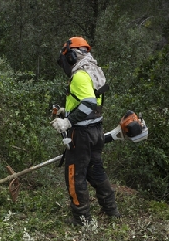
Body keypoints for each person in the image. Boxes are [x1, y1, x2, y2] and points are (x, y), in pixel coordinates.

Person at [51, 36, 120, 226]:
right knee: (96, 171)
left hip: (81, 135)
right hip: (96, 130)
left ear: (72, 56)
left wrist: (67, 122)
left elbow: (88, 103)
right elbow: (92, 102)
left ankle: (82, 220)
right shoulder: (93, 72)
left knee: (75, 177)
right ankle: (112, 211)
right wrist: (67, 111)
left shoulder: (79, 76)